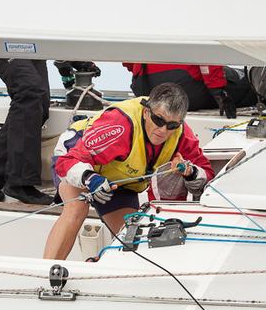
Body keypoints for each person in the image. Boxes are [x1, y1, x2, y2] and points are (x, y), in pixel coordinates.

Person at [44, 83, 213, 260]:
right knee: (77, 208)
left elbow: (207, 174)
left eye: (171, 125)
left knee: (131, 236)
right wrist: (90, 179)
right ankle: (46, 274)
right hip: (79, 162)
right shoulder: (120, 125)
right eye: (159, 120)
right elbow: (67, 161)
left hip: (121, 182)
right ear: (146, 112)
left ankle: (98, 267)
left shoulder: (182, 134)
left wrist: (190, 172)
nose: (163, 130)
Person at [0, 58, 53, 205]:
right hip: (2, 40)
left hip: (32, 41)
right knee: (29, 91)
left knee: (39, 102)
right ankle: (20, 183)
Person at [123, 63, 257, 119]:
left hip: (144, 84)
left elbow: (128, 60)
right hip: (185, 84)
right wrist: (218, 91)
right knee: (249, 84)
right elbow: (206, 53)